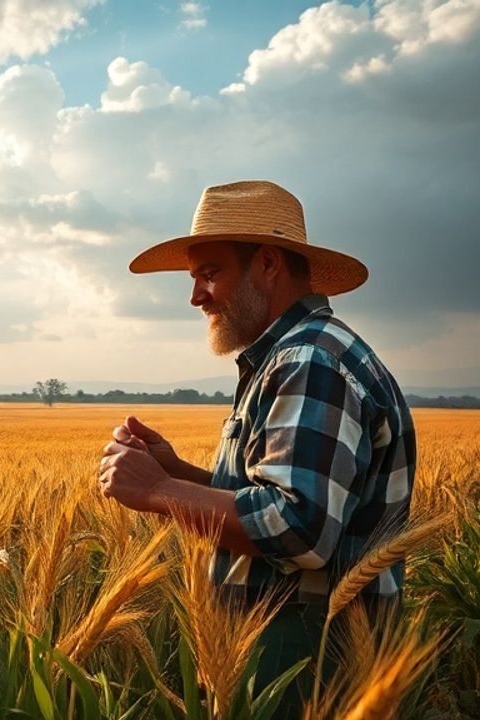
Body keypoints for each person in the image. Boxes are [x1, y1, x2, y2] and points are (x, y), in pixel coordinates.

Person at [96, 180, 416, 717]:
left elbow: (300, 529)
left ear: (267, 264)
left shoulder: (311, 362)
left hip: (307, 661)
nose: (195, 296)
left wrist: (158, 490)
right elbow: (271, 496)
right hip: (285, 651)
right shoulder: (291, 357)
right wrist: (181, 474)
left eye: (209, 273)